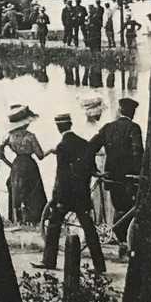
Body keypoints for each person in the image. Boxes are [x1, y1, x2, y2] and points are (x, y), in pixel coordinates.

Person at [37, 113, 106, 273]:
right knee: (89, 228)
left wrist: (56, 197)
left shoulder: (62, 146)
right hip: (81, 194)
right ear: (71, 124)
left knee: (54, 225)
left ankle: (49, 261)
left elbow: (61, 175)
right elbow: (91, 167)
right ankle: (99, 265)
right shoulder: (84, 144)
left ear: (58, 127)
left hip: (66, 196)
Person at [89, 96, 144, 253]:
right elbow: (137, 153)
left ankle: (121, 242)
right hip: (129, 178)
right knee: (128, 210)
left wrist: (94, 169)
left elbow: (90, 147)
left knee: (119, 207)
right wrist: (142, 172)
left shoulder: (108, 127)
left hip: (111, 175)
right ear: (132, 112)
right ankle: (125, 243)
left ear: (120, 110)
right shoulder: (134, 128)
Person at [0, 105, 49, 225]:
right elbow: (40, 155)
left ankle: (17, 219)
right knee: (33, 192)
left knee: (16, 191)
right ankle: (33, 219)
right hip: (29, 165)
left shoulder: (9, 136)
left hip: (16, 165)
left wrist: (9, 164)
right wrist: (51, 150)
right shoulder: (30, 136)